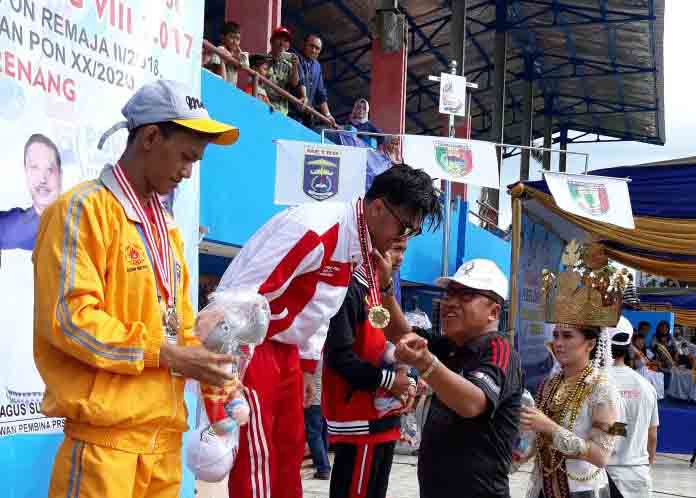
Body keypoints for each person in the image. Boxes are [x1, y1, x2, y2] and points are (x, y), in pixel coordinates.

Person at [33, 80, 241, 498]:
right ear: (149, 137)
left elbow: (178, 326)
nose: (187, 172)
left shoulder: (165, 229)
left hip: (163, 447)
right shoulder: (82, 210)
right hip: (103, 449)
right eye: (185, 157)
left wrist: (210, 364)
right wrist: (166, 353)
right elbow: (70, 320)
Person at [218, 164, 442, 498]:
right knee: (259, 460)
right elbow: (240, 295)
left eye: (410, 235)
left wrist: (307, 367)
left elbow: (320, 312)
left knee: (290, 453)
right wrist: (228, 371)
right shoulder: (319, 229)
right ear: (378, 207)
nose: (401, 243)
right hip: (257, 345)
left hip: (289, 354)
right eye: (403, 229)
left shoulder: (362, 253)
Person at [394, 258, 523, 498]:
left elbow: (473, 403)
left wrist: (426, 363)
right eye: (449, 295)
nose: (450, 303)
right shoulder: (451, 347)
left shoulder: (499, 350)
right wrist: (383, 287)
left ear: (493, 311)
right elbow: (401, 334)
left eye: (465, 296)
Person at [520, 242, 623, 498]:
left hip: (584, 491)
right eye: (555, 334)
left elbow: (602, 456)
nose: (558, 342)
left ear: (589, 343)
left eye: (567, 336)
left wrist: (550, 428)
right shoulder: (549, 384)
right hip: (543, 489)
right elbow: (536, 442)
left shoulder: (604, 388)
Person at [323, 239, 415, 498]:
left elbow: (387, 341)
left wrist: (406, 378)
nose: (401, 258)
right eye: (396, 248)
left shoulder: (377, 290)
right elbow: (341, 358)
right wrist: (391, 381)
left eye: (404, 250)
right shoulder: (349, 288)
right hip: (359, 421)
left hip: (380, 419)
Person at [607, 317, 659, 498]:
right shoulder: (646, 386)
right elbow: (652, 435)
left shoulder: (594, 382)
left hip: (603, 476)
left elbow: (614, 427)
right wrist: (645, 463)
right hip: (638, 475)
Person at [0, 134, 63, 250]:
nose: (42, 179)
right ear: (26, 174)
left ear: (60, 174)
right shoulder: (14, 228)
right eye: (35, 168)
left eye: (49, 169)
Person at [294, 33, 336, 128]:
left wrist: (328, 115)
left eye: (317, 48)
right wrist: (304, 96)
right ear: (304, 45)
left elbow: (320, 93)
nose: (313, 50)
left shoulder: (317, 66)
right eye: (311, 46)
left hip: (306, 119)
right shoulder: (295, 56)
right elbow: (300, 80)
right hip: (292, 111)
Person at [305, 356, 332, 480]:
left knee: (313, 434)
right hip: (322, 400)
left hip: (313, 401)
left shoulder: (313, 358)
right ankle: (322, 461)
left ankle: (323, 468)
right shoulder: (323, 356)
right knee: (321, 432)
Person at [266, 26, 301, 116]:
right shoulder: (262, 60)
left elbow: (295, 83)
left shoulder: (290, 65)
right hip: (263, 106)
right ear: (271, 41)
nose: (282, 43)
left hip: (281, 112)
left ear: (288, 46)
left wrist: (295, 66)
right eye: (279, 39)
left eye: (285, 41)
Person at [209, 21, 249, 86]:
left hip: (230, 90)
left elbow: (245, 67)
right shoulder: (220, 49)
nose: (235, 42)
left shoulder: (234, 55)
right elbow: (217, 72)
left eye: (238, 39)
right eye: (232, 37)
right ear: (223, 37)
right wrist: (232, 57)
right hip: (219, 87)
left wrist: (240, 55)